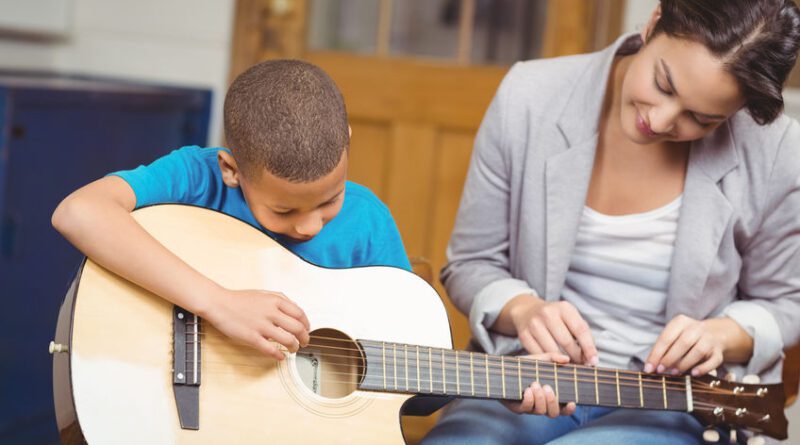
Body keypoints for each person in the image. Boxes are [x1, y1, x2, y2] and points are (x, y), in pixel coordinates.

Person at [422, 0, 800, 444]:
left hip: (675, 404)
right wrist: (524, 310)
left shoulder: (775, 154)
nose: (658, 121)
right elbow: (471, 262)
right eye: (663, 83)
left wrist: (722, 334)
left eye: (702, 119)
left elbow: (786, 304)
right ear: (655, 21)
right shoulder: (529, 97)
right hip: (527, 381)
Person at [52, 60, 411, 361]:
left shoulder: (368, 223)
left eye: (329, 200)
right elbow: (79, 211)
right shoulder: (196, 177)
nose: (309, 226)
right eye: (284, 210)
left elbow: (408, 344)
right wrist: (217, 304)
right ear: (231, 170)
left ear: (347, 140)